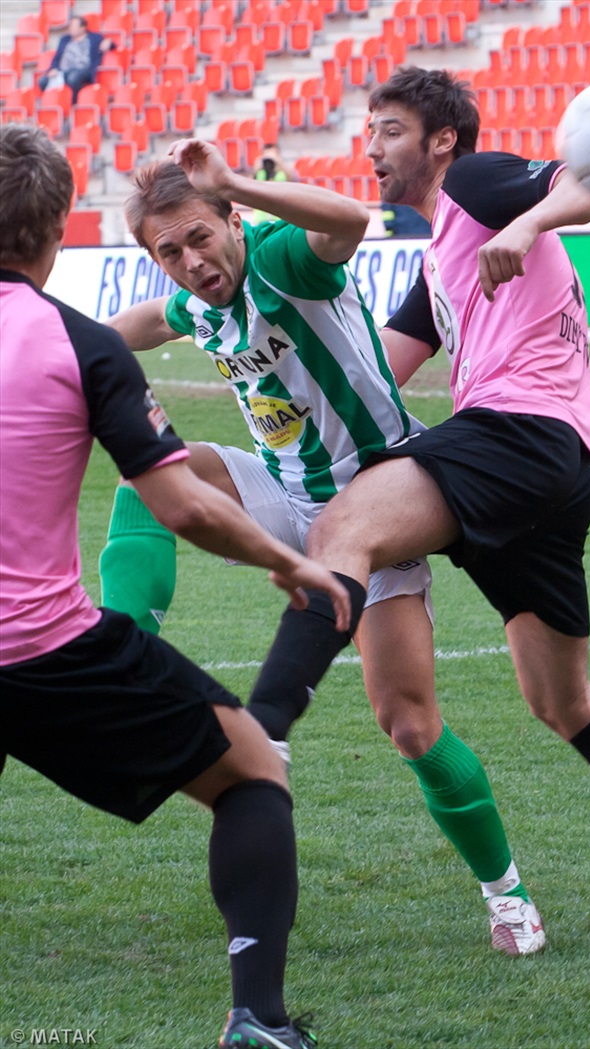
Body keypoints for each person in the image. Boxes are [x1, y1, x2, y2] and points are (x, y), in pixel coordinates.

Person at [245, 66, 590, 926]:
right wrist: (270, 354)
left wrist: (525, 224)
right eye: (369, 130)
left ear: (440, 139)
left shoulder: (481, 182)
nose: (369, 146)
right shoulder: (437, 258)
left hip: (521, 435)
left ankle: (263, 728)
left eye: (386, 129)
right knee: (564, 700)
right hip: (561, 466)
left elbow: (587, 187)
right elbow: (376, 370)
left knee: (347, 522)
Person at [99, 137, 546, 956]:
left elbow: (351, 220)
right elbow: (123, 329)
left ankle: (507, 892)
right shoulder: (194, 303)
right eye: (170, 251)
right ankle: (123, 650)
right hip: (278, 492)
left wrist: (233, 181)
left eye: (202, 236)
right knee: (150, 474)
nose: (193, 262)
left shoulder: (277, 258)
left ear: (232, 220)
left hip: (376, 502)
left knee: (408, 723)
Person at [0, 124, 357, 1049]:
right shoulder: (78, 345)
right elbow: (184, 507)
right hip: (42, 653)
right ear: (53, 237)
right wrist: (291, 561)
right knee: (253, 771)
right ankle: (257, 1019)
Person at [38, 15, 112, 105]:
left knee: (73, 78)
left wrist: (109, 43)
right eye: (70, 26)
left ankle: (73, 104)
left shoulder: (94, 38)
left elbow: (111, 44)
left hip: (83, 70)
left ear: (83, 28)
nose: (71, 29)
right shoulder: (65, 39)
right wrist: (53, 68)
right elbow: (57, 57)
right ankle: (52, 105)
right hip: (62, 71)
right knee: (42, 81)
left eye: (74, 26)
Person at [251, 144, 298, 225]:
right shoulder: (260, 172)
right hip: (261, 219)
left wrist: (278, 161)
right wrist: (256, 167)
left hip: (280, 218)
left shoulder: (282, 172)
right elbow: (249, 186)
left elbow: (293, 180)